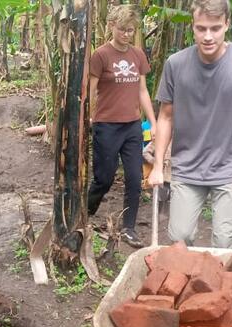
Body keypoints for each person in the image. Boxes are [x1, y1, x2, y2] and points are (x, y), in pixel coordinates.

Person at [148, 0, 232, 249]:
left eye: (215, 28)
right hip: (187, 167)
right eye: (201, 28)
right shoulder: (176, 64)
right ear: (192, 26)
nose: (207, 36)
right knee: (180, 239)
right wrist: (158, 166)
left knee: (223, 242)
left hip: (230, 168)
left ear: (226, 24)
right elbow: (166, 117)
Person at [88, 5, 157, 248]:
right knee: (104, 178)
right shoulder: (100, 55)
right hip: (106, 125)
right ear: (111, 26)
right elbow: (91, 90)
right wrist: (88, 118)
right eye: (122, 29)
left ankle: (128, 228)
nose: (126, 34)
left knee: (135, 178)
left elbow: (142, 91)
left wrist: (153, 122)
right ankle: (85, 212)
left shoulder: (138, 55)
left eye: (131, 30)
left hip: (132, 126)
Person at [143, 140, 172, 219]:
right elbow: (145, 152)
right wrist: (155, 162)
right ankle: (159, 215)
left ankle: (170, 216)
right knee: (161, 196)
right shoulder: (159, 140)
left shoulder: (181, 140)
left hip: (179, 176)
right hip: (163, 176)